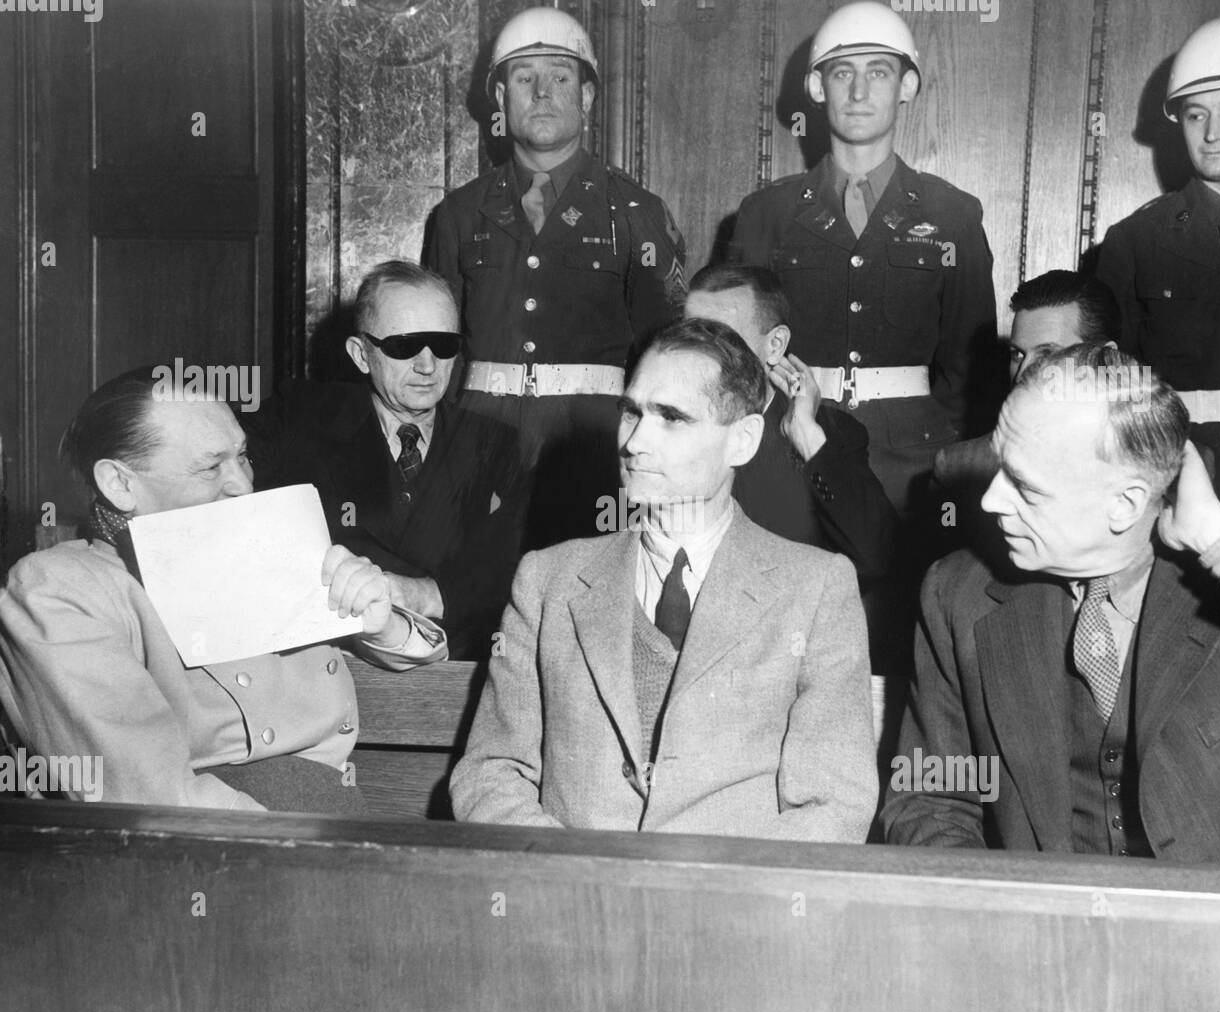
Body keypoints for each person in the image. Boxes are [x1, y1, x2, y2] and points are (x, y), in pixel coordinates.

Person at [450, 319, 877, 841]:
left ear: (742, 441)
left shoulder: (816, 589)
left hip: (732, 909)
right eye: (631, 412)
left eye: (672, 418)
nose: (634, 442)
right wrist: (578, 882)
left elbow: (833, 805)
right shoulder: (547, 582)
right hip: (574, 906)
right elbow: (490, 773)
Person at [880, 343, 1220, 867]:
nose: (990, 501)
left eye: (1025, 488)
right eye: (999, 470)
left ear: (1124, 504)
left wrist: (1215, 534)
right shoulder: (956, 593)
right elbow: (934, 793)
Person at [0, 370, 445, 812]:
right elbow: (147, 795)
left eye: (243, 457)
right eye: (211, 467)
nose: (242, 485)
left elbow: (417, 656)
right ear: (120, 483)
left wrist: (378, 623)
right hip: (212, 849)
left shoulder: (264, 548)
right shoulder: (58, 589)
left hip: (335, 812)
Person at [726, 1, 996, 670]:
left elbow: (974, 364)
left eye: (879, 72)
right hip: (795, 441)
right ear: (816, 89)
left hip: (912, 460)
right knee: (786, 636)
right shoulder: (766, 214)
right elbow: (733, 349)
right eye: (841, 73)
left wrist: (944, 463)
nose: (858, 89)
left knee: (906, 638)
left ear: (906, 86)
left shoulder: (952, 215)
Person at [424, 6, 687, 549]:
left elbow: (671, 354)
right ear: (500, 99)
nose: (542, 92)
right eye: (524, 78)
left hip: (591, 450)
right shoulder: (458, 214)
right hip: (479, 449)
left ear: (587, 97)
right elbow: (439, 352)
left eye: (560, 77)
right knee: (478, 599)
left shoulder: (636, 211)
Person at [242, 261, 527, 660]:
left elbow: (528, 558)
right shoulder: (299, 416)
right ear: (361, 355)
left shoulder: (494, 442)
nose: (427, 366)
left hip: (446, 674)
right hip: (325, 666)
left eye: (444, 346)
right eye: (403, 346)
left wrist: (428, 593)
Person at [1097, 14, 1220, 523]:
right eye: (1194, 115)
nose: (1212, 132)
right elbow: (1109, 397)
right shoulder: (1135, 241)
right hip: (1177, 497)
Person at [683, 264, 896, 592]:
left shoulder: (827, 435)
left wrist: (808, 439)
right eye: (689, 336)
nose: (699, 356)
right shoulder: (659, 427)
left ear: (775, 344)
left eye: (721, 338)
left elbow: (877, 557)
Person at [935, 269, 1122, 493]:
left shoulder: (1147, 467)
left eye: (1047, 354)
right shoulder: (959, 467)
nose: (1023, 372)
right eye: (1017, 354)